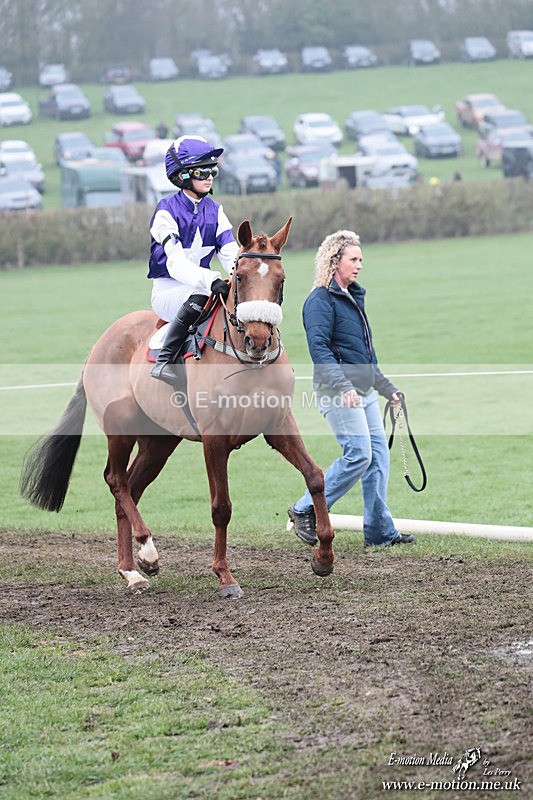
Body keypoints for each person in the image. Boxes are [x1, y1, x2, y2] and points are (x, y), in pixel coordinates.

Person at [287, 229, 415, 548]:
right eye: (353, 259)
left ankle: (378, 530)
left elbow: (364, 355)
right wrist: (343, 385)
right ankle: (305, 509)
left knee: (377, 458)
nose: (359, 265)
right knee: (359, 454)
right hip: (337, 392)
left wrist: (387, 389)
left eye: (361, 259)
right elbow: (319, 348)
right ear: (335, 261)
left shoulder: (353, 297)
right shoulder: (319, 301)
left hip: (365, 392)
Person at [148, 135, 239, 383]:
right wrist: (211, 280)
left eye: (213, 170)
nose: (209, 176)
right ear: (183, 175)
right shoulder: (166, 211)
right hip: (170, 291)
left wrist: (241, 276)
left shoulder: (215, 210)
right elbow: (175, 263)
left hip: (202, 287)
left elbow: (231, 252)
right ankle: (164, 361)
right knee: (199, 296)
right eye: (202, 171)